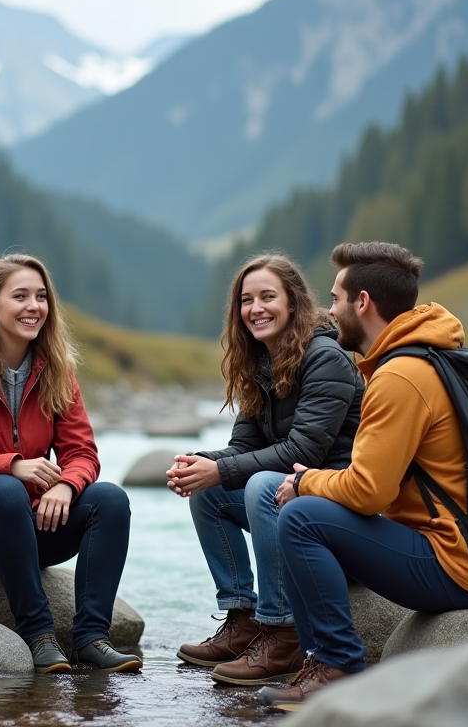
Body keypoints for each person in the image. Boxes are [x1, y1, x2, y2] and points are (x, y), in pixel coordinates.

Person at [257, 242, 468, 711]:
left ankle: (337, 667)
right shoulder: (427, 357)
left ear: (363, 303)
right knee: (307, 512)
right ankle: (314, 658)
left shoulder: (401, 377)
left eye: (335, 299)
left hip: (454, 565)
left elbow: (369, 492)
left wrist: (305, 481)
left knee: (299, 516)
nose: (329, 311)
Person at [0, 253, 140, 674]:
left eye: (41, 297)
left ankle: (91, 638)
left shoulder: (57, 370)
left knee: (110, 500)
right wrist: (12, 465)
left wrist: (67, 486)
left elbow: (82, 453)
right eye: (19, 296)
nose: (33, 306)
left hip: (27, 523)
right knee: (4, 492)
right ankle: (39, 635)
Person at [167, 253, 364, 686]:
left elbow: (304, 451)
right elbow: (243, 448)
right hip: (293, 502)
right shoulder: (262, 363)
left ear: (293, 302)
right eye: (246, 300)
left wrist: (220, 470)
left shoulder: (325, 358)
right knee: (209, 491)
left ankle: (283, 631)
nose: (255, 308)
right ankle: (243, 620)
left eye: (268, 297)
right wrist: (199, 466)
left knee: (260, 485)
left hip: (340, 512)